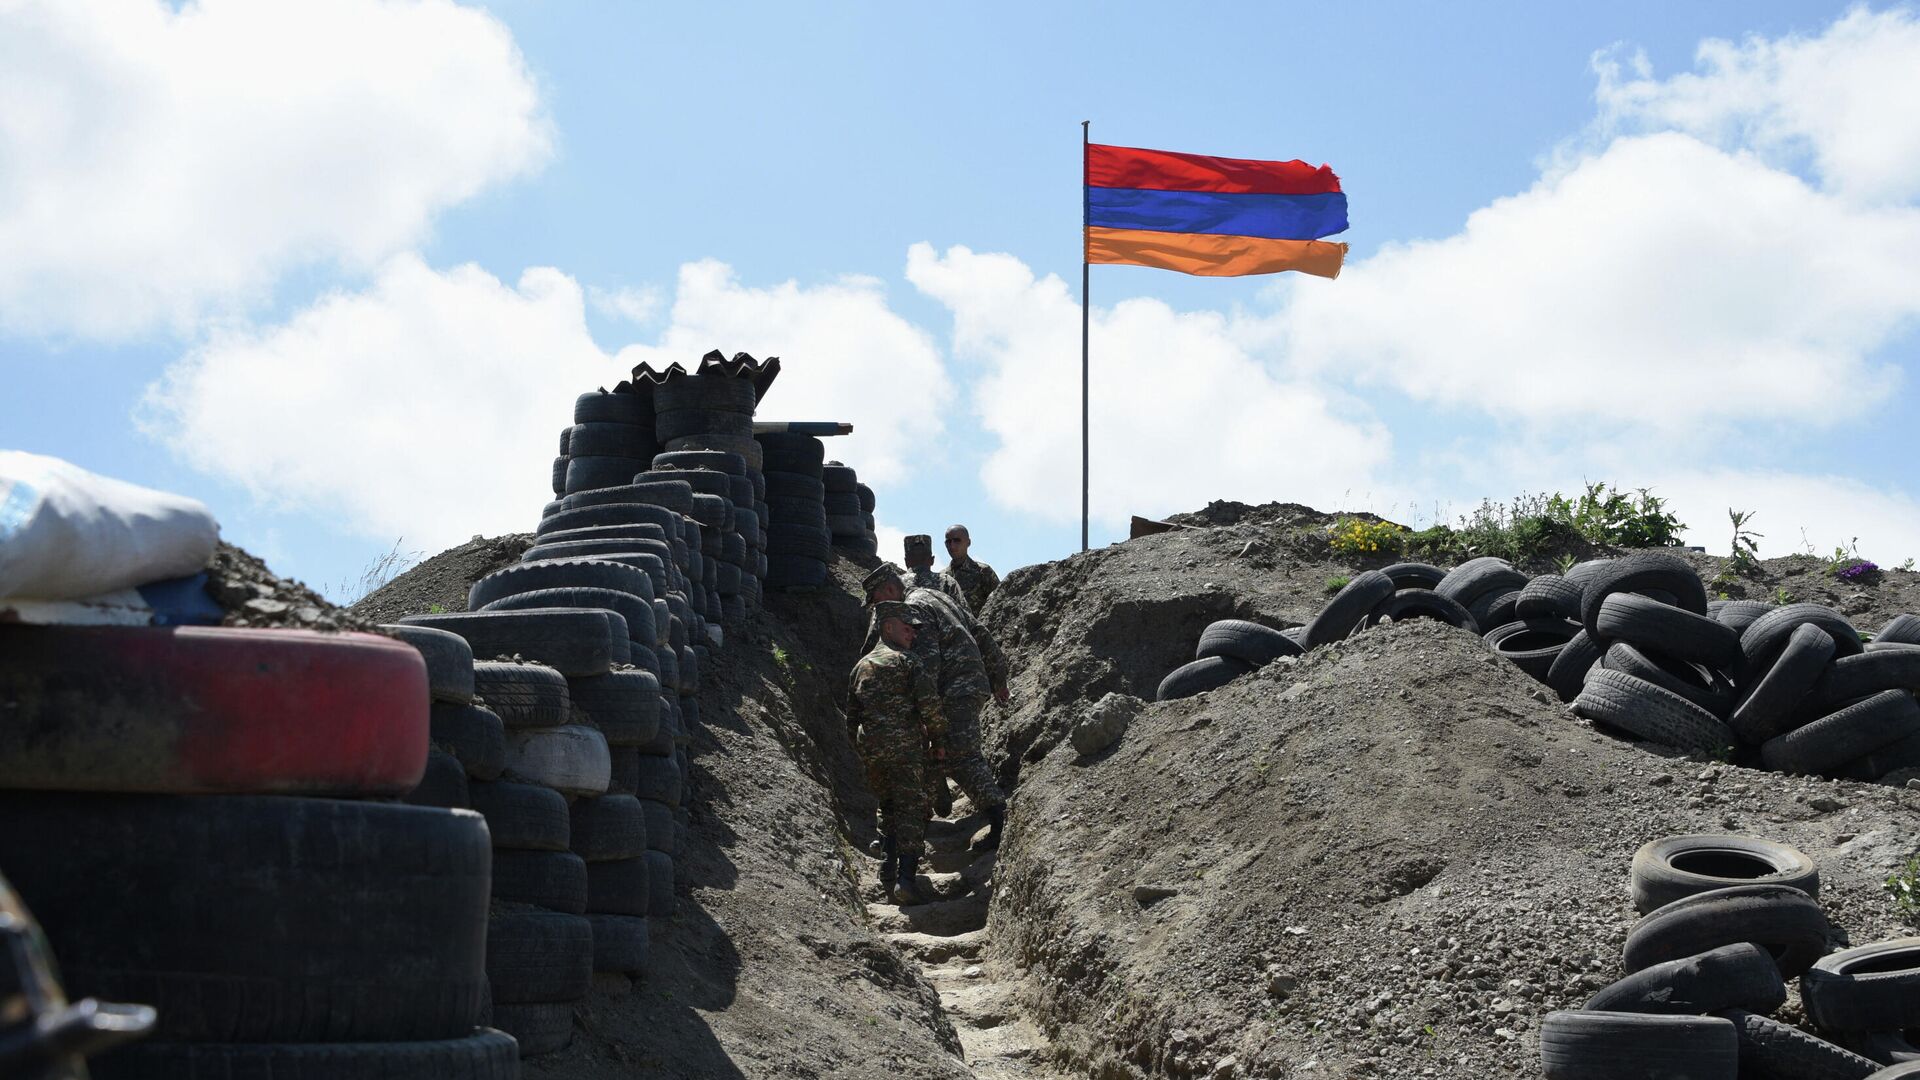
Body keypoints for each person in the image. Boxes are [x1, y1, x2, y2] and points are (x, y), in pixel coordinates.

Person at [861, 563, 1010, 851]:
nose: (878, 609)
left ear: (890, 590)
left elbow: (927, 665)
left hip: (955, 689)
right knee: (948, 753)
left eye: (878, 600)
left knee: (961, 756)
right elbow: (980, 631)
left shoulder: (913, 609)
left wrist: (919, 708)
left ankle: (1000, 820)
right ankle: (928, 812)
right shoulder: (936, 595)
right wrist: (998, 677)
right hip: (971, 683)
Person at [847, 599, 945, 905]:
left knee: (887, 804)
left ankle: (887, 872)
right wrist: (940, 743)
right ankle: (906, 880)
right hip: (907, 751)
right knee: (912, 809)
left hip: (873, 753)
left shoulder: (859, 667)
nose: (913, 635)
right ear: (888, 627)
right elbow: (930, 707)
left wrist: (865, 750)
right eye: (908, 628)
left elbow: (851, 719)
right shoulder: (909, 662)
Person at [901, 534, 970, 611]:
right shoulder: (946, 581)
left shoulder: (897, 584)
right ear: (932, 560)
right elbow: (965, 615)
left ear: (906, 562)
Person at [943, 524, 1001, 614]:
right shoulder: (942, 577)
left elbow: (1000, 602)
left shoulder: (983, 572)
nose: (952, 546)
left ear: (968, 542)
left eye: (957, 540)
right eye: (948, 542)